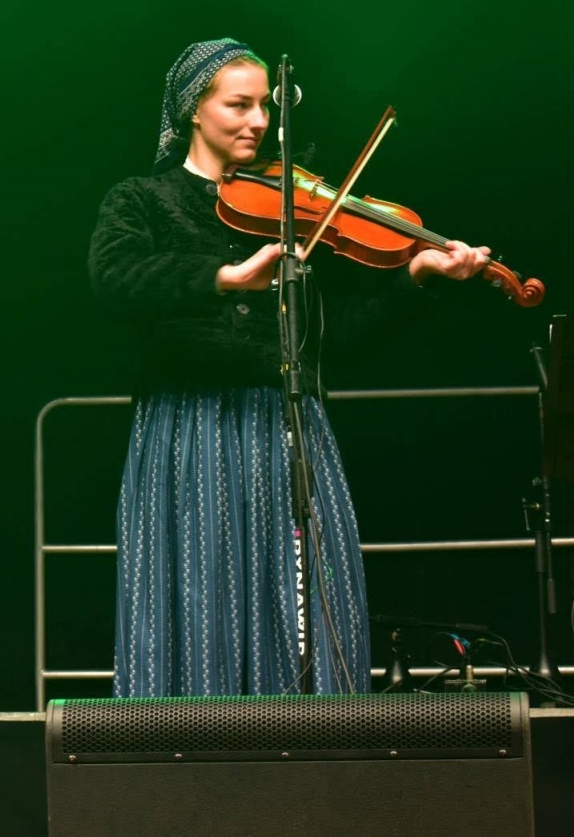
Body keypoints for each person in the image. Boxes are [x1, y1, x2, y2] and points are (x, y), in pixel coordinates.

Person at [87, 38, 491, 696]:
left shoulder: (289, 206)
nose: (258, 122)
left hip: (286, 421)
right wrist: (223, 276)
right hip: (189, 429)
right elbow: (115, 277)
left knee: (306, 603)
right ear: (194, 109)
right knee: (193, 593)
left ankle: (317, 755)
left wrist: (416, 278)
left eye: (265, 107)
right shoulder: (141, 199)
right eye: (238, 105)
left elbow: (335, 340)